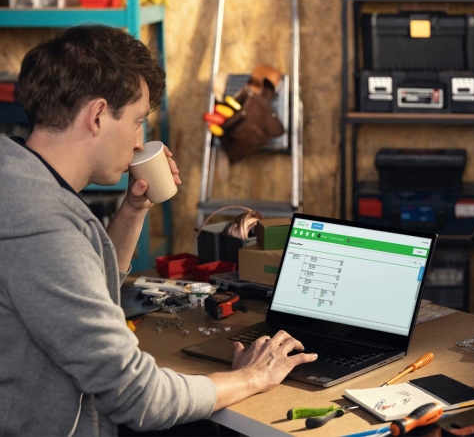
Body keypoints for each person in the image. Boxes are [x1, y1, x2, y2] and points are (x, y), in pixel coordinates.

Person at [0, 25, 317, 436]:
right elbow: (141, 399)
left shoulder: (18, 178)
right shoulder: (44, 224)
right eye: (137, 121)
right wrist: (253, 377)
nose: (138, 141)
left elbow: (79, 289)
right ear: (97, 115)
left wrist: (135, 207)